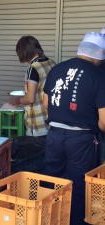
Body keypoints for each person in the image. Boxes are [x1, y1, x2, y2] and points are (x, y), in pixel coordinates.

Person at [43, 31, 105, 225]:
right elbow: (104, 121)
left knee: (53, 181)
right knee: (78, 187)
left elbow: (46, 104)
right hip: (82, 141)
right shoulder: (98, 75)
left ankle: (50, 219)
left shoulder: (57, 69)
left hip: (53, 136)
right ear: (100, 54)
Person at [8, 36, 56, 172]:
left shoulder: (33, 68)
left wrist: (17, 101)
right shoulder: (51, 63)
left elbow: (30, 98)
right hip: (51, 121)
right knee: (46, 161)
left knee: (33, 164)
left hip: (37, 125)